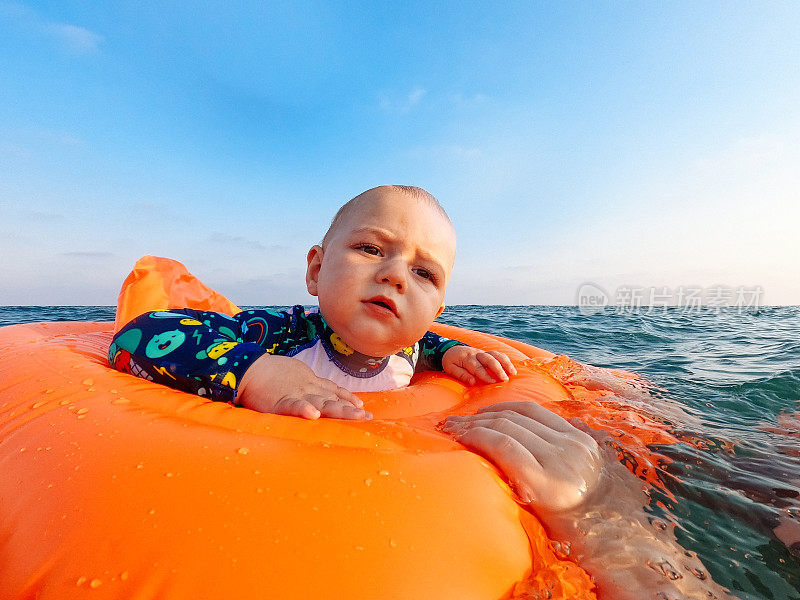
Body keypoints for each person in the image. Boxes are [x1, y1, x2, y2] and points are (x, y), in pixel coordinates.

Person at [109, 185, 728, 599]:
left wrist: (451, 351)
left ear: (437, 305)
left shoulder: (416, 352)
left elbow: (421, 349)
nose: (393, 274)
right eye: (371, 248)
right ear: (315, 268)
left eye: (424, 273)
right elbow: (143, 336)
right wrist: (255, 373)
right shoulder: (279, 333)